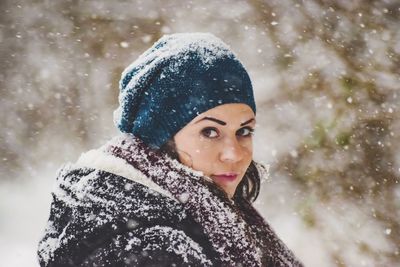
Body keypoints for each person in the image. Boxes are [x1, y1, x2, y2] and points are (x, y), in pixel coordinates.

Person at [37, 33, 303, 267]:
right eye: (209, 132)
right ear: (162, 138)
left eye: (243, 131)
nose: (233, 153)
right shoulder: (152, 249)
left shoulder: (204, 217)